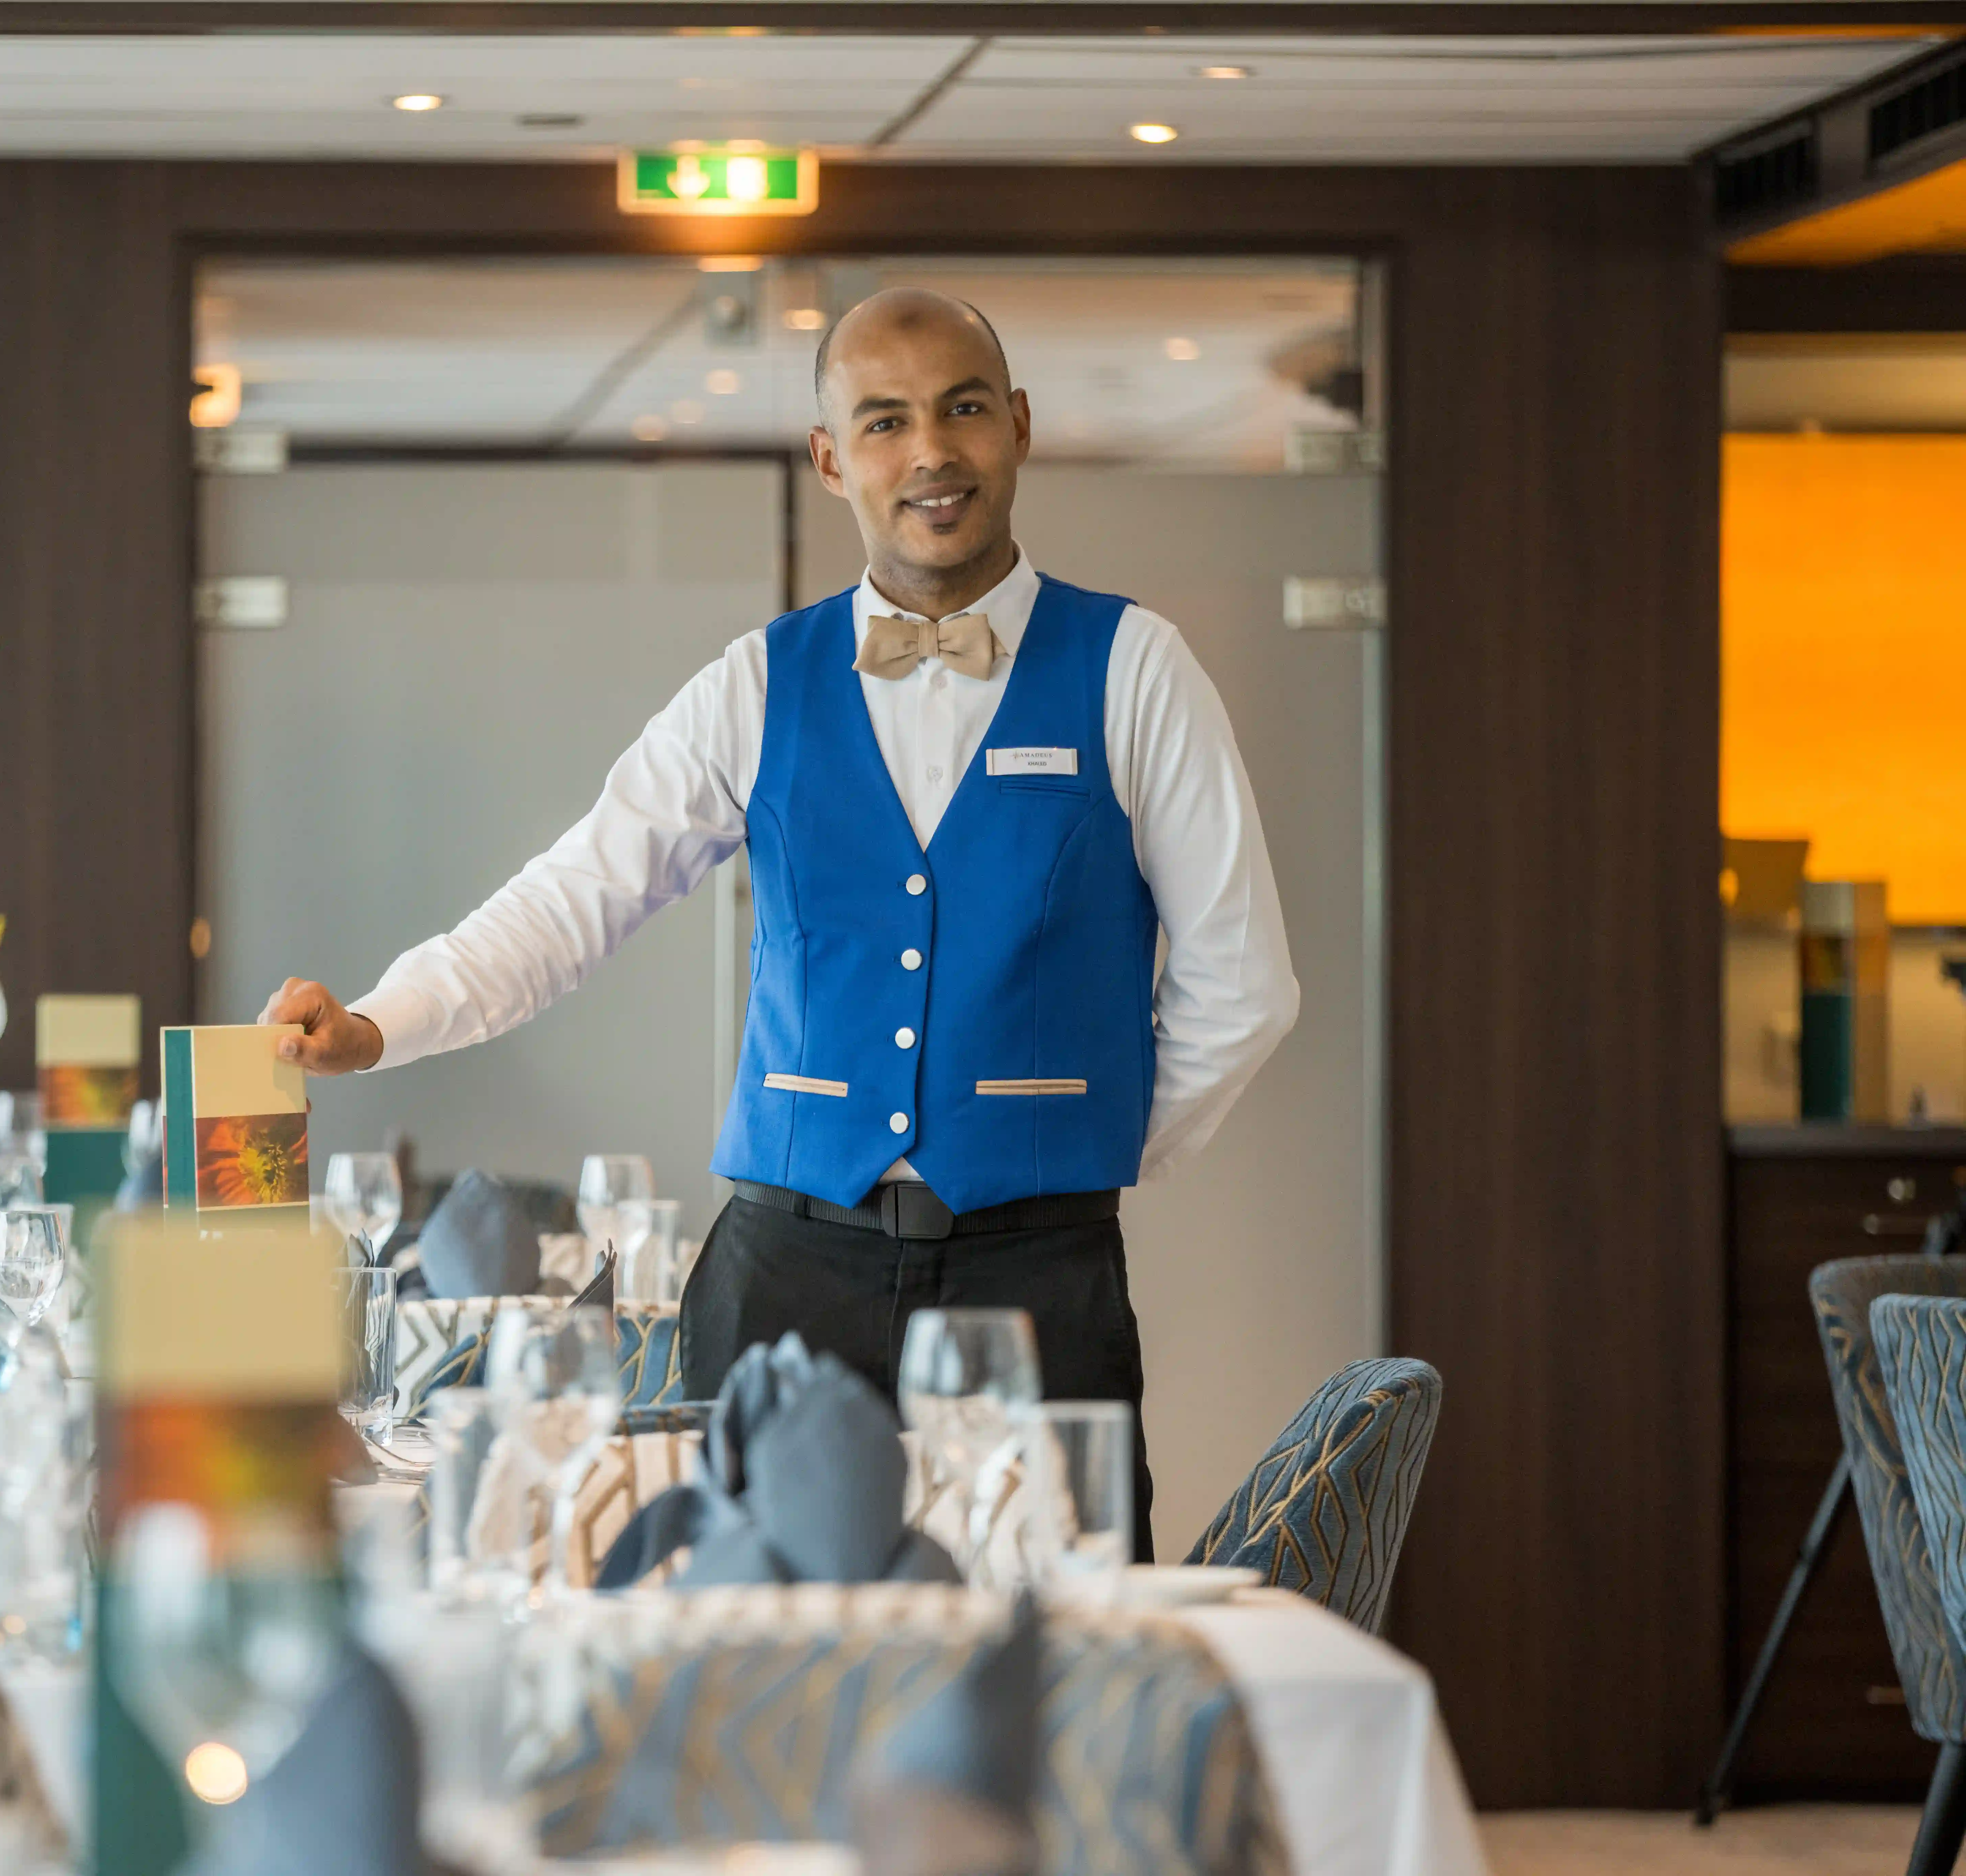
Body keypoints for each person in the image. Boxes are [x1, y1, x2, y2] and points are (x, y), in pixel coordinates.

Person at [262, 288, 1299, 1553]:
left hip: (1039, 1289)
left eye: (964, 409)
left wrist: (1083, 1147)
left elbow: (1242, 982)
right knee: (738, 1638)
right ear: (829, 460)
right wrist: (380, 1023)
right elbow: (575, 895)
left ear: (1018, 427)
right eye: (884, 422)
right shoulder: (753, 687)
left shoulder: (1139, 670)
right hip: (783, 1284)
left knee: (1051, 1644)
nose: (930, 452)